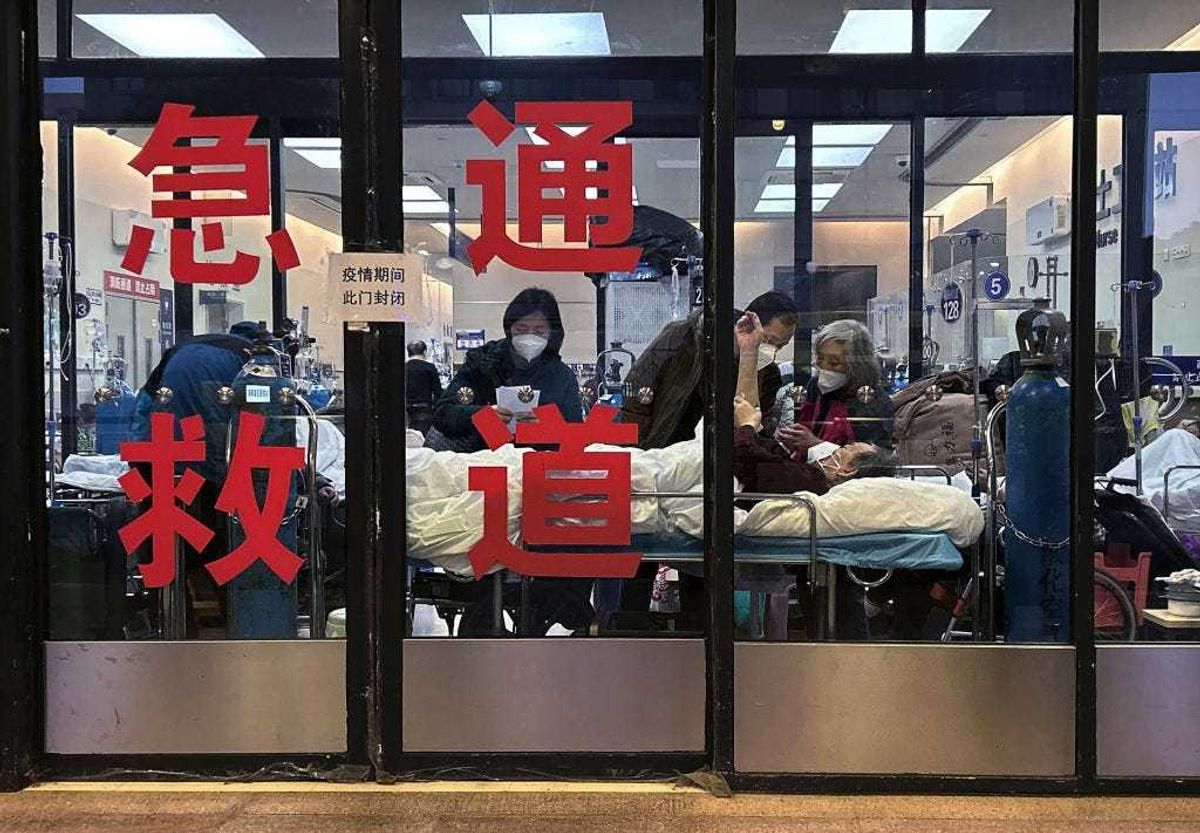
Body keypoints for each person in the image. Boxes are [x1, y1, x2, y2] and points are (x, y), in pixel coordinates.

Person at [621, 290, 799, 450]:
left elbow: (758, 429)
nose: (773, 351)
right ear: (749, 323)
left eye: (781, 345)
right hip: (662, 447)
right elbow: (637, 397)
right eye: (769, 340)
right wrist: (636, 450)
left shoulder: (768, 374)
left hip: (719, 464)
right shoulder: (685, 336)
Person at [430, 287, 582, 451]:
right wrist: (482, 415)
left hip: (539, 465)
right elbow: (443, 412)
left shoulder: (561, 376)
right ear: (509, 328)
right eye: (522, 329)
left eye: (539, 330)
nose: (530, 336)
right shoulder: (482, 364)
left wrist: (548, 426)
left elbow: (576, 432)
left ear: (551, 332)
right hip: (485, 462)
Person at [776, 318, 895, 462]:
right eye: (820, 359)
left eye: (834, 363)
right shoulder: (816, 387)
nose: (824, 368)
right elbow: (807, 428)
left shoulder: (875, 403)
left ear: (857, 365)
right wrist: (794, 440)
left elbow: (872, 462)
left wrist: (816, 445)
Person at [404, 340, 442, 435]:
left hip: (405, 409)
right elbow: (437, 391)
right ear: (425, 352)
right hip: (424, 408)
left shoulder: (403, 367)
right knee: (422, 437)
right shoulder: (429, 367)